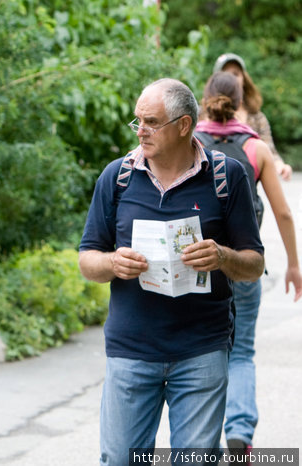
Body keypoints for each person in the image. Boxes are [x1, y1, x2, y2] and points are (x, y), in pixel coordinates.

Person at [78, 78, 265, 466]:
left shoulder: (226, 177)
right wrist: (113, 263)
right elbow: (87, 260)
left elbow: (254, 264)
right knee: (119, 459)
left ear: (183, 125)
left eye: (150, 122)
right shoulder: (118, 177)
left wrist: (222, 257)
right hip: (132, 350)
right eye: (137, 121)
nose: (140, 130)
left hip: (202, 350)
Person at [195, 71, 302, 460]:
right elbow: (284, 212)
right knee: (240, 352)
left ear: (205, 98)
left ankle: (201, 437)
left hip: (197, 267)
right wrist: (293, 264)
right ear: (241, 102)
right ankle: (239, 430)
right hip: (243, 264)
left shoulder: (189, 142)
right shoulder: (256, 148)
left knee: (204, 352)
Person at [213, 53, 293, 180]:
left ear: (244, 79)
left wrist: (280, 166)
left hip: (248, 189)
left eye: (236, 74)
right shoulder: (203, 115)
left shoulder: (257, 117)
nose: (232, 79)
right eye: (226, 74)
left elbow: (269, 150)